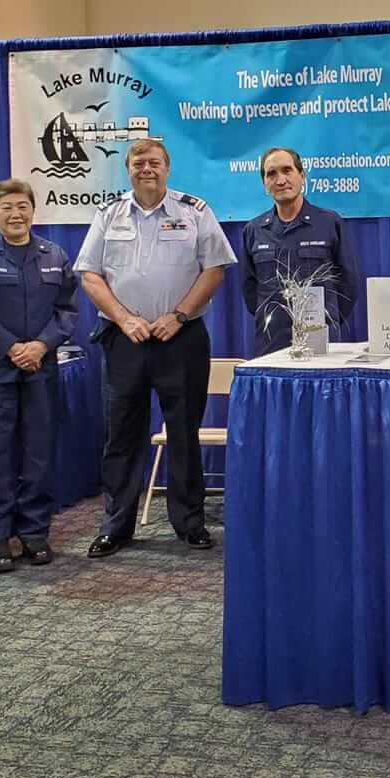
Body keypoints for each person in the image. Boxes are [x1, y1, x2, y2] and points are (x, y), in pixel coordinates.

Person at [76, 139, 236, 556]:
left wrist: (179, 315)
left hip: (180, 338)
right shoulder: (109, 214)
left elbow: (214, 269)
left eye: (154, 162)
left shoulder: (194, 212)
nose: (146, 169)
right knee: (121, 435)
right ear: (127, 169)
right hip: (124, 339)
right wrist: (124, 318)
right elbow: (90, 274)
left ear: (167, 168)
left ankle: (190, 523)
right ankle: (116, 526)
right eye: (138, 163)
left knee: (183, 433)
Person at [0, 179, 79, 572]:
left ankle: (34, 533)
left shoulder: (54, 254)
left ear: (33, 211)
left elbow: (67, 312)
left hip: (40, 372)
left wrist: (40, 346)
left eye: (22, 206)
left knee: (38, 455)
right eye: (7, 207)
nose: (15, 214)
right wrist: (12, 348)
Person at [240, 147, 360, 356]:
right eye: (271, 174)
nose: (280, 180)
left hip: (320, 344)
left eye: (287, 170)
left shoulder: (329, 223)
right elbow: (250, 291)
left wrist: (327, 320)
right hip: (271, 344)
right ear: (264, 183)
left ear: (302, 176)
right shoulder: (254, 230)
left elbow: (348, 285)